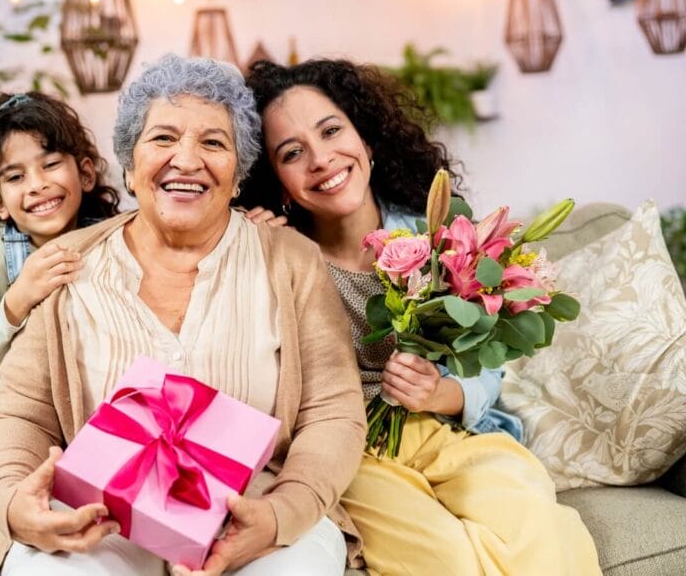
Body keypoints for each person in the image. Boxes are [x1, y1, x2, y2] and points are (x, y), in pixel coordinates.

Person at [0, 54, 367, 576]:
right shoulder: (68, 263)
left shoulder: (291, 262)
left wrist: (278, 514)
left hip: (253, 511)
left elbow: (333, 411)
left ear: (238, 175)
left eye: (213, 143)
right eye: (162, 139)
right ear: (130, 168)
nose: (186, 159)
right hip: (102, 515)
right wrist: (15, 507)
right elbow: (20, 413)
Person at [239, 57, 601, 575]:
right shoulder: (280, 259)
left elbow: (485, 364)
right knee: (446, 559)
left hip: (446, 434)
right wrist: (252, 249)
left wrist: (440, 393)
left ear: (365, 141)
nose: (320, 159)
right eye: (292, 152)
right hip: (354, 454)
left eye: (331, 130)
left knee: (534, 522)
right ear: (276, 181)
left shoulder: (437, 236)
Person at [0, 91, 120, 549]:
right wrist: (18, 299)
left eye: (50, 164)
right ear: (0, 200)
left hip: (94, 405)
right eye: (16, 175)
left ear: (84, 173)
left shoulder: (118, 235)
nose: (38, 184)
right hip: (15, 409)